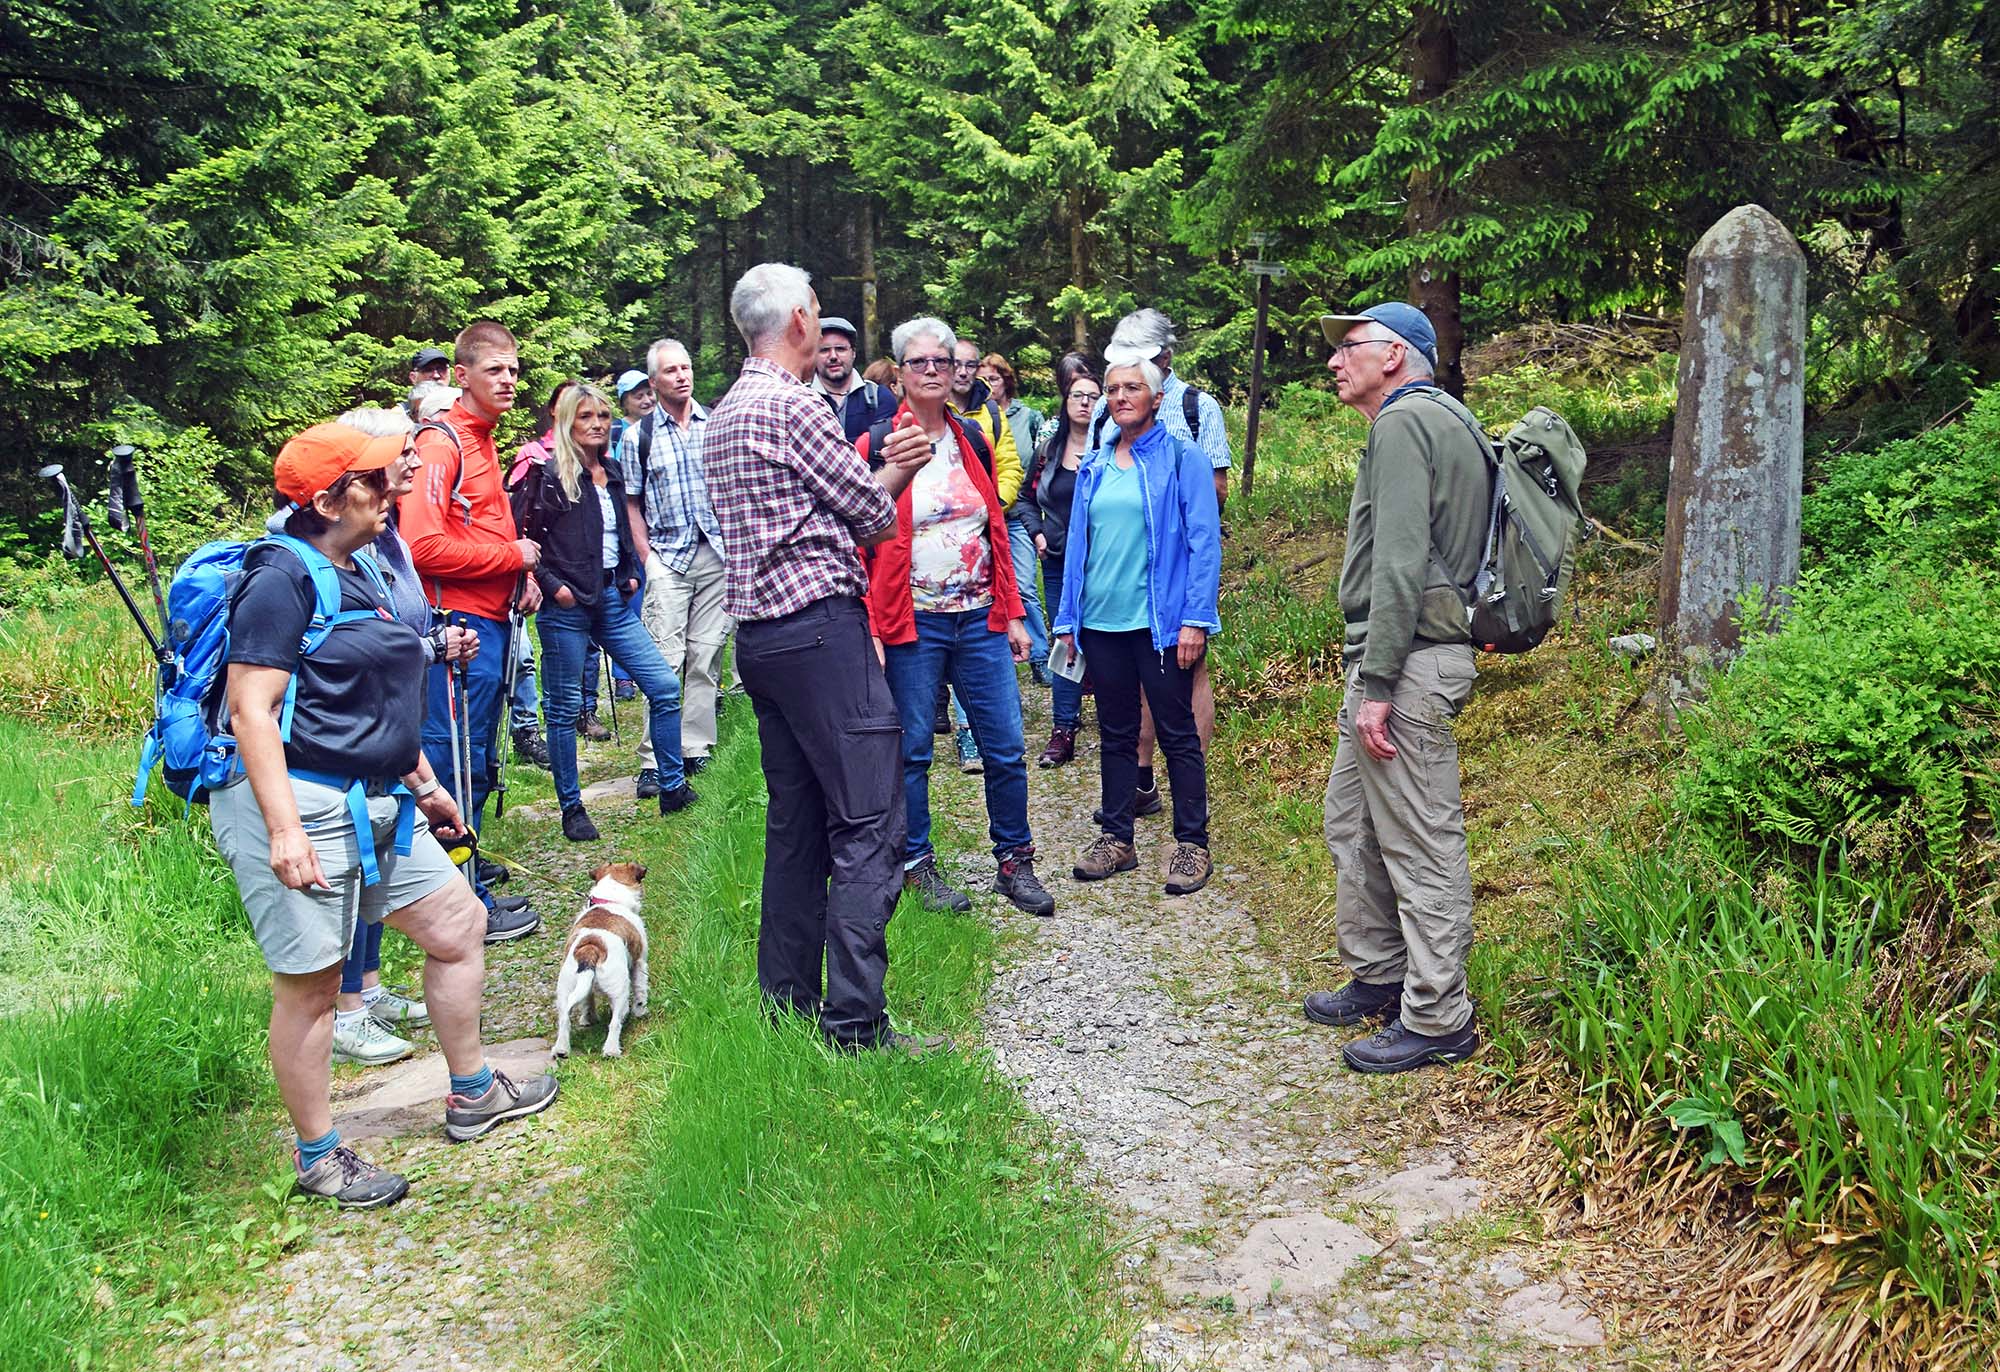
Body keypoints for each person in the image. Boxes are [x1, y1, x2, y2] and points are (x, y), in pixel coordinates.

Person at [212, 421, 557, 1207]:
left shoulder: (359, 566)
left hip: (380, 794)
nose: (394, 483)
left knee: (457, 925)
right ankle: (320, 1156)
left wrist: (425, 782)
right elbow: (251, 713)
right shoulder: (279, 579)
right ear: (330, 499)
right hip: (299, 797)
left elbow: (373, 693)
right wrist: (285, 831)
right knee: (312, 985)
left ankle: (472, 1090)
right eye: (376, 478)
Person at [703, 262, 943, 1054]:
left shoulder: (730, 409)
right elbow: (873, 515)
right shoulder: (796, 405)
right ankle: (856, 1023)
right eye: (814, 310)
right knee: (871, 819)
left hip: (763, 643)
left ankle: (788, 1005)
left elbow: (815, 511)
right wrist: (902, 466)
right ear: (801, 320)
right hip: (818, 632)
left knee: (797, 826)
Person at [1303, 303, 1488, 1075]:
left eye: (1350, 347)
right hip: (1398, 661)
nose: (1334, 361)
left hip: (1408, 665)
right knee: (1352, 819)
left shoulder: (1406, 423)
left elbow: (1401, 562)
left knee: (1418, 843)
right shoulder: (1437, 418)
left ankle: (1439, 1016)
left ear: (1396, 355)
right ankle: (1380, 972)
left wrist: (1376, 681)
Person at [858, 318, 1053, 918]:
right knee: (913, 749)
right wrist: (871, 627)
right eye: (919, 363)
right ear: (899, 375)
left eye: (942, 360)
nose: (934, 370)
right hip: (912, 621)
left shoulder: (973, 437)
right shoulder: (875, 444)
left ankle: (1014, 861)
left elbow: (993, 527)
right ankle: (916, 866)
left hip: (980, 619)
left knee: (1005, 743)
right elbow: (860, 541)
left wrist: (1015, 612)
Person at [319, 406, 482, 1067]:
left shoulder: (388, 539)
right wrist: (432, 646)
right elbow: (351, 650)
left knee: (381, 865)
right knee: (359, 865)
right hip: (350, 746)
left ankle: (372, 987)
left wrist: (434, 640)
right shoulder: (339, 550)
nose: (415, 462)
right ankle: (346, 1009)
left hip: (393, 733)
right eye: (402, 453)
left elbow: (392, 630)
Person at [398, 320, 544, 943]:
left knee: (477, 759)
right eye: (495, 370)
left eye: (514, 370)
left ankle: (469, 889)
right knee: (456, 766)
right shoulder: (442, 443)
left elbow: (476, 529)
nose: (508, 380)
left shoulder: (482, 440)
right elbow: (420, 544)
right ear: (462, 376)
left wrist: (518, 582)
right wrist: (513, 559)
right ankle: (462, 910)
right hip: (453, 628)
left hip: (490, 621)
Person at [1052, 357, 1221, 898]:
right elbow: (1079, 544)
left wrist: (1195, 618)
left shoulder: (1180, 458)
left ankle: (1192, 844)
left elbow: (1203, 541)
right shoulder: (1097, 465)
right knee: (1118, 734)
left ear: (1155, 396)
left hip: (1160, 624)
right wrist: (1067, 619)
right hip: (1101, 623)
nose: (1121, 396)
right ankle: (1116, 838)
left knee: (1177, 734)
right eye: (1113, 389)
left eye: (1133, 387)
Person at [514, 383, 695, 840]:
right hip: (567, 608)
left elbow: (623, 529)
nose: (596, 424)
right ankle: (572, 809)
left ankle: (672, 786)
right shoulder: (549, 476)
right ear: (565, 422)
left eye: (602, 416)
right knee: (563, 708)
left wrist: (630, 572)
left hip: (611, 601)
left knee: (663, 685)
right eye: (585, 417)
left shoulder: (611, 471)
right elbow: (526, 540)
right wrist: (554, 589)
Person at [1094, 309, 1231, 820]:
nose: (1125, 379)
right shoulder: (1114, 408)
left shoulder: (1198, 406)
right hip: (1121, 576)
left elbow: (1215, 490)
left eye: (1140, 363)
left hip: (1180, 566)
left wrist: (1172, 518)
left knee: (1186, 673)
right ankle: (1141, 779)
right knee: (1132, 682)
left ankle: (1188, 789)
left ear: (1166, 358)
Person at [619, 338, 729, 796]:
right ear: (655, 381)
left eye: (685, 368)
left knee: (706, 657)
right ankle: (654, 758)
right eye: (670, 371)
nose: (681, 376)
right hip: (668, 557)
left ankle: (695, 747)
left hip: (717, 554)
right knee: (664, 662)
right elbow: (630, 502)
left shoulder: (716, 425)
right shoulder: (637, 436)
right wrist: (647, 558)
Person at [941, 336, 1024, 772]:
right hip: (944, 544)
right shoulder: (933, 410)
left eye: (971, 364)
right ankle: (966, 734)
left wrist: (994, 501)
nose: (963, 372)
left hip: (992, 528)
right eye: (957, 363)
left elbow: (1009, 463)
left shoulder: (990, 411)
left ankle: (990, 729)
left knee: (994, 618)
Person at [1020, 365, 1100, 767]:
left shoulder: (1114, 446)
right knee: (1065, 641)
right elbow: (1024, 500)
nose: (1084, 403)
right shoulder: (1049, 450)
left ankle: (1119, 724)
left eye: (1092, 396)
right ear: (1065, 403)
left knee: (1108, 643)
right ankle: (1063, 730)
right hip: (1057, 563)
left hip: (1105, 565)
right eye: (1077, 396)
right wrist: (1037, 533)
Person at [982, 352, 1051, 684]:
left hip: (1018, 512)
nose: (988, 384)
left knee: (1024, 584)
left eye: (994, 378)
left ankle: (1039, 655)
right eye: (983, 378)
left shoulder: (1029, 416)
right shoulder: (974, 414)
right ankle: (998, 655)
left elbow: (1039, 463)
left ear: (1005, 380)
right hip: (983, 516)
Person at [813, 316, 898, 441]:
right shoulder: (801, 400)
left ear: (853, 353)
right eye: (824, 350)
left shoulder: (879, 397)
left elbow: (886, 451)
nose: (833, 356)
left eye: (840, 349)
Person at [611, 368, 653, 451]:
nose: (647, 401)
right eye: (639, 397)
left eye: (650, 393)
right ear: (624, 403)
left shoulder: (665, 425)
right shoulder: (615, 431)